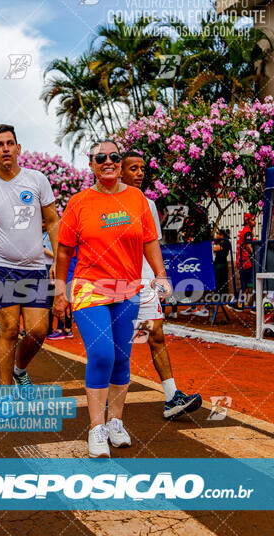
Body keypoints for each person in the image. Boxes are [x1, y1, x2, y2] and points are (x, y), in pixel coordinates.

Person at [53, 140, 170, 458]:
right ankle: (96, 428)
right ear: (90, 164)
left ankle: (116, 422)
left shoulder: (137, 199)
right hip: (89, 288)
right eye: (100, 157)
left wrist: (160, 275)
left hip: (128, 288)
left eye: (114, 157)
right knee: (102, 355)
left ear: (120, 163)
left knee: (121, 357)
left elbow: (150, 241)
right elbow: (64, 251)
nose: (108, 161)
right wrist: (59, 291)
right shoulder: (78, 203)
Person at [0, 124, 59, 386]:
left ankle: (20, 369)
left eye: (10, 143)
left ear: (18, 148)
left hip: (34, 266)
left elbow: (52, 221)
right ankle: (5, 393)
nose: (5, 148)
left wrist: (58, 260)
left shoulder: (37, 179)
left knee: (38, 331)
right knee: (8, 329)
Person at [120, 151, 202, 420]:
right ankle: (109, 405)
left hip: (143, 281)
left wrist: (159, 278)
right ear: (120, 172)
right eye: (133, 168)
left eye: (142, 168)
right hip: (114, 282)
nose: (140, 173)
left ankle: (171, 397)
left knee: (155, 334)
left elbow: (151, 244)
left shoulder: (149, 205)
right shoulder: (106, 202)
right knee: (118, 343)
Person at [236, 212, 256, 307]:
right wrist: (256, 255)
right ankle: (239, 301)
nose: (255, 222)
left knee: (246, 283)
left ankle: (243, 301)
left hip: (242, 261)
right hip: (246, 261)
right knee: (248, 283)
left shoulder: (246, 230)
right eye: (253, 220)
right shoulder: (247, 232)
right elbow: (249, 247)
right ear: (248, 221)